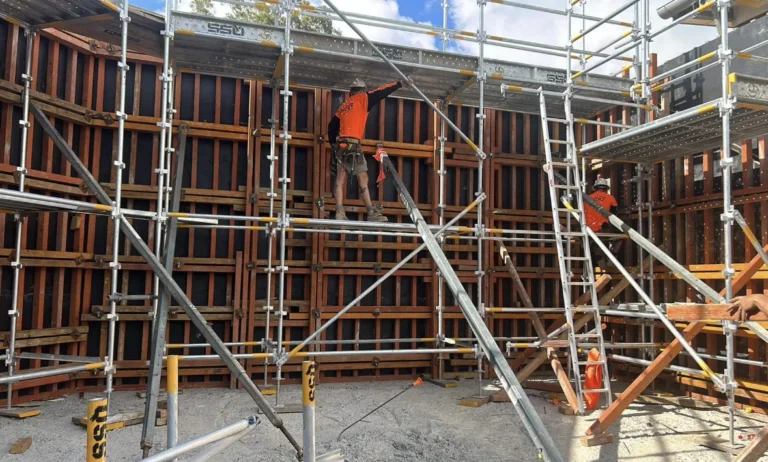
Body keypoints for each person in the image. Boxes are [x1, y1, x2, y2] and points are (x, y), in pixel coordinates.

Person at [327, 77, 410, 222]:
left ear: (350, 92)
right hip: (354, 145)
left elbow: (331, 127)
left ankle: (340, 212)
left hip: (341, 145)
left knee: (340, 179)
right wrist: (399, 84)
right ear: (363, 90)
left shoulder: (344, 106)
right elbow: (381, 92)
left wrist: (334, 145)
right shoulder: (363, 99)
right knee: (363, 178)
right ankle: (371, 213)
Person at [584, 177, 621, 267]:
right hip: (603, 228)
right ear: (606, 188)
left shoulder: (588, 198)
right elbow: (614, 214)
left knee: (595, 243)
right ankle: (612, 257)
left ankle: (601, 261)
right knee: (620, 238)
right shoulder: (610, 198)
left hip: (588, 229)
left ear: (595, 188)